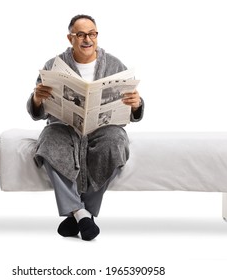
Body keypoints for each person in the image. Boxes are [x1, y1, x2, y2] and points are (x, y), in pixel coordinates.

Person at [27, 14, 144, 241]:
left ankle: (78, 214)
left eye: (92, 34)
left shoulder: (114, 65)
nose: (87, 39)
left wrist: (136, 104)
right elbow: (36, 111)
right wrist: (37, 99)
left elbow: (134, 107)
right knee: (49, 141)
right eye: (80, 34)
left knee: (115, 143)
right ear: (70, 38)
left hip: (103, 128)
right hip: (64, 126)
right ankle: (83, 214)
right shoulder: (54, 65)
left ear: (97, 36)